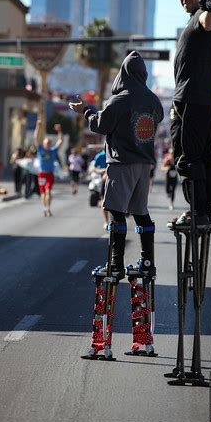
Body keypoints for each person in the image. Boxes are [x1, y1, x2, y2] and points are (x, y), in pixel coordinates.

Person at [69, 50, 164, 279]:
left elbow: (101, 124)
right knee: (141, 212)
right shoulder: (153, 99)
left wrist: (86, 111)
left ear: (123, 73)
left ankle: (115, 264)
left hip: (122, 162)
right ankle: (147, 262)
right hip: (144, 163)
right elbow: (158, 117)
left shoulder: (120, 99)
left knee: (116, 211)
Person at [170, 0, 211, 230]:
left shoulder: (203, 15)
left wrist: (209, 5)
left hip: (192, 99)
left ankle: (197, 211)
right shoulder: (194, 18)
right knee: (204, 157)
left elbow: (208, 21)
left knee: (188, 157)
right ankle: (207, 210)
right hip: (205, 98)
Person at [34, 120, 63, 217]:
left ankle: (48, 208)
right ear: (44, 143)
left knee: (48, 191)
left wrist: (59, 131)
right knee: (43, 193)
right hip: (42, 174)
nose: (48, 144)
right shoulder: (40, 149)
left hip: (50, 174)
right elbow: (36, 138)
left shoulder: (53, 151)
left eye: (49, 143)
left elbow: (60, 141)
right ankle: (44, 208)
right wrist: (38, 127)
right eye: (46, 143)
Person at [89, 147, 109, 228]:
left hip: (115, 179)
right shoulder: (100, 155)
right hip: (102, 179)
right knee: (104, 201)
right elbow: (93, 167)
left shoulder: (118, 154)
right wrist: (100, 171)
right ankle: (106, 222)